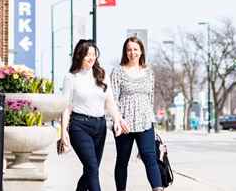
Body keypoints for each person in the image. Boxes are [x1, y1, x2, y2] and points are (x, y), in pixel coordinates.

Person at [61, 39, 128, 191]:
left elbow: (109, 101)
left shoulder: (101, 75)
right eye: (87, 54)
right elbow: (66, 106)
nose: (91, 58)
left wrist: (117, 119)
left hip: (100, 126)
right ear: (79, 56)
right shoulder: (71, 78)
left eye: (93, 54)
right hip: (79, 126)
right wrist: (63, 131)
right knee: (92, 168)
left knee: (91, 169)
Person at [111, 36, 164, 191]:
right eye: (129, 49)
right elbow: (112, 99)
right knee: (122, 160)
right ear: (125, 52)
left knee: (150, 157)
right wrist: (118, 120)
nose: (132, 52)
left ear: (141, 52)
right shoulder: (118, 72)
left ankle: (158, 188)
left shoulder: (149, 72)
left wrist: (153, 122)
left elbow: (150, 97)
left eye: (135, 49)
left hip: (145, 121)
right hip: (124, 123)